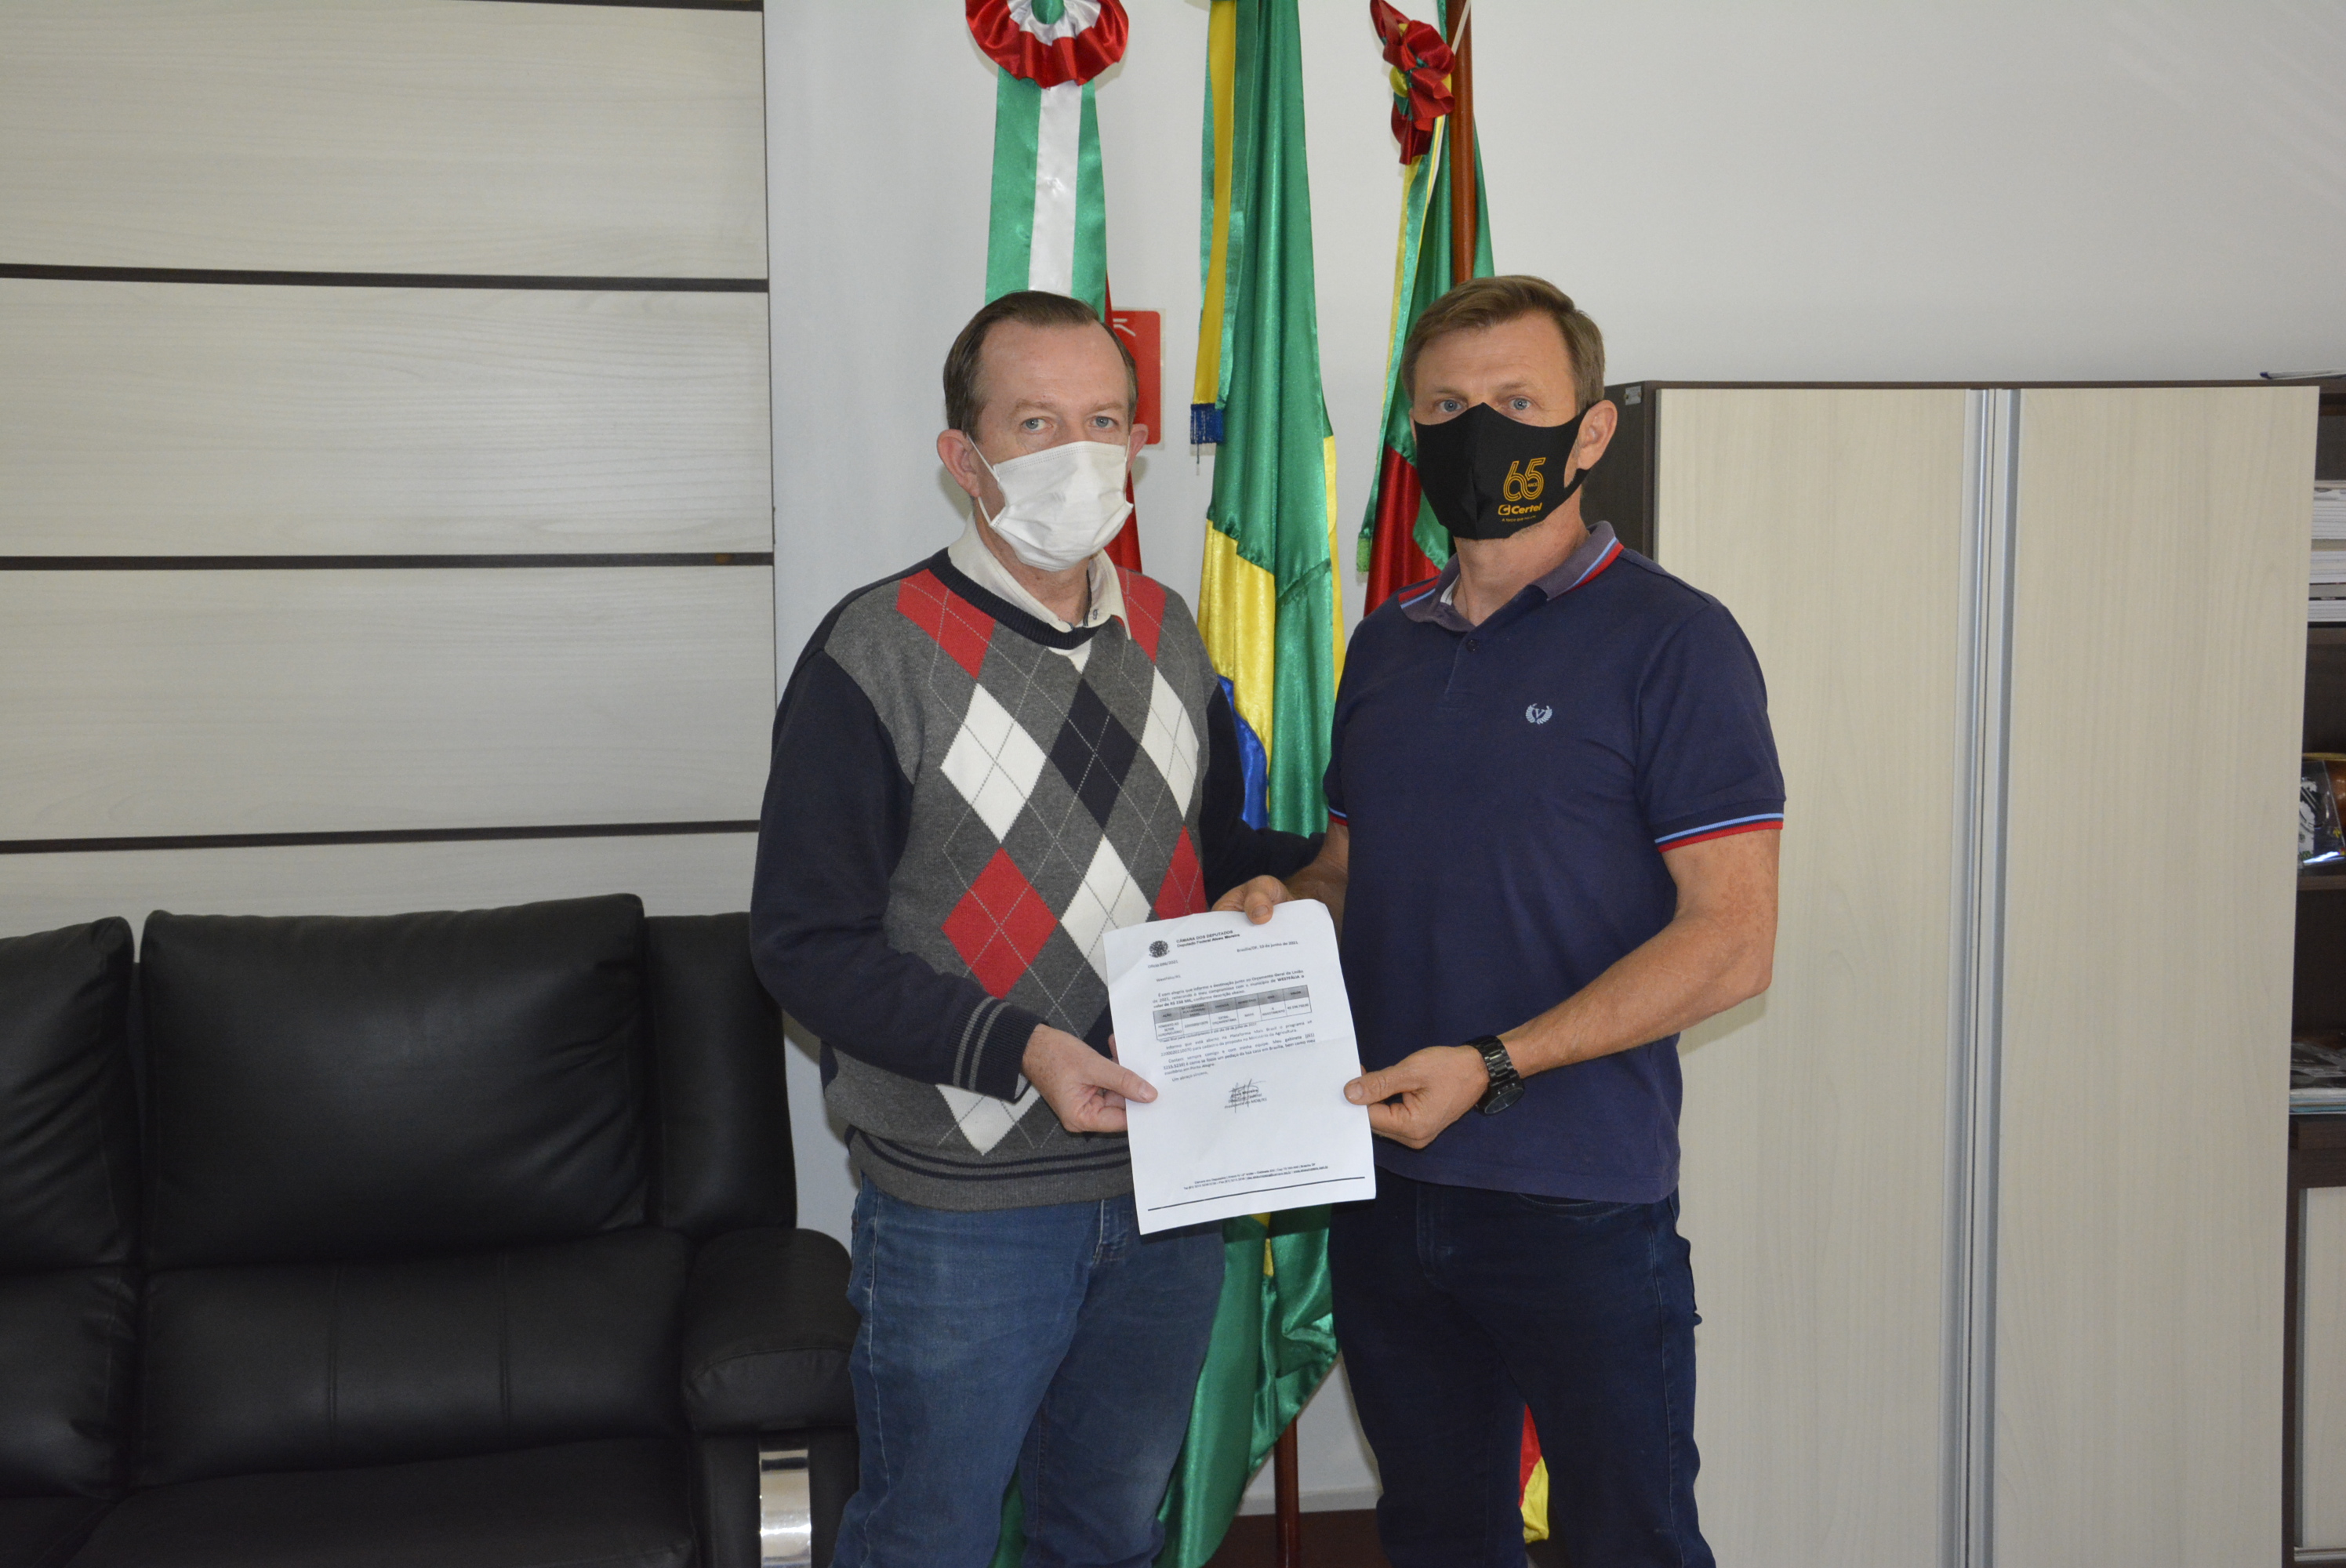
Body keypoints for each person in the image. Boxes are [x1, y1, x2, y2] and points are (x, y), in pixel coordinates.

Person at [1217, 274, 1782, 1568]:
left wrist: (1495, 1064)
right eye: (1446, 407)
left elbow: (1732, 941)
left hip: (1579, 1202)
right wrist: (1283, 907)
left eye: (1518, 403)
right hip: (1385, 1185)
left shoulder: (1677, 642)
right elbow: (1351, 870)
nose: (1479, 432)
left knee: (1629, 1540)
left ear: (1591, 431)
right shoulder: (1385, 647)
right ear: (1414, 434)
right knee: (1433, 1534)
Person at [750, 289, 1316, 1568]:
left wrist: (1299, 880)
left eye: (1105, 421)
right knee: (927, 1539)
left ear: (1140, 444)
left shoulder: (1169, 632)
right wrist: (1020, 1048)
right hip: (967, 1213)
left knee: (1108, 1533)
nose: (1080, 453)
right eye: (1037, 423)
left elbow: (1207, 851)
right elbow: (803, 943)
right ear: (965, 458)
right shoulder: (875, 651)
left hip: (1170, 1188)